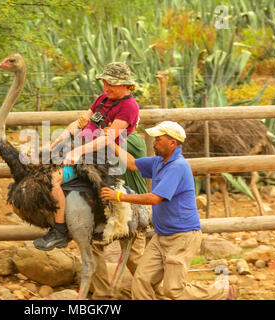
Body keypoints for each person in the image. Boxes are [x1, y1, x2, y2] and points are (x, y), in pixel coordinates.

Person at [100, 121, 237, 300]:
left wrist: (119, 196)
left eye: (158, 139)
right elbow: (133, 163)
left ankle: (222, 292)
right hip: (162, 236)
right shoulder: (158, 162)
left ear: (172, 143)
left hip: (182, 237)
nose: (154, 142)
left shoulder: (177, 166)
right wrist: (111, 143)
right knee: (141, 281)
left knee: (173, 290)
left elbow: (154, 198)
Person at [33, 62, 147, 260]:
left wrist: (77, 152)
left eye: (110, 83)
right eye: (105, 82)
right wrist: (58, 141)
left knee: (53, 178)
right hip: (83, 150)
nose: (106, 87)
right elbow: (80, 122)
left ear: (124, 85)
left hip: (101, 158)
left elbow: (108, 137)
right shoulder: (103, 99)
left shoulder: (129, 107)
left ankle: (59, 231)